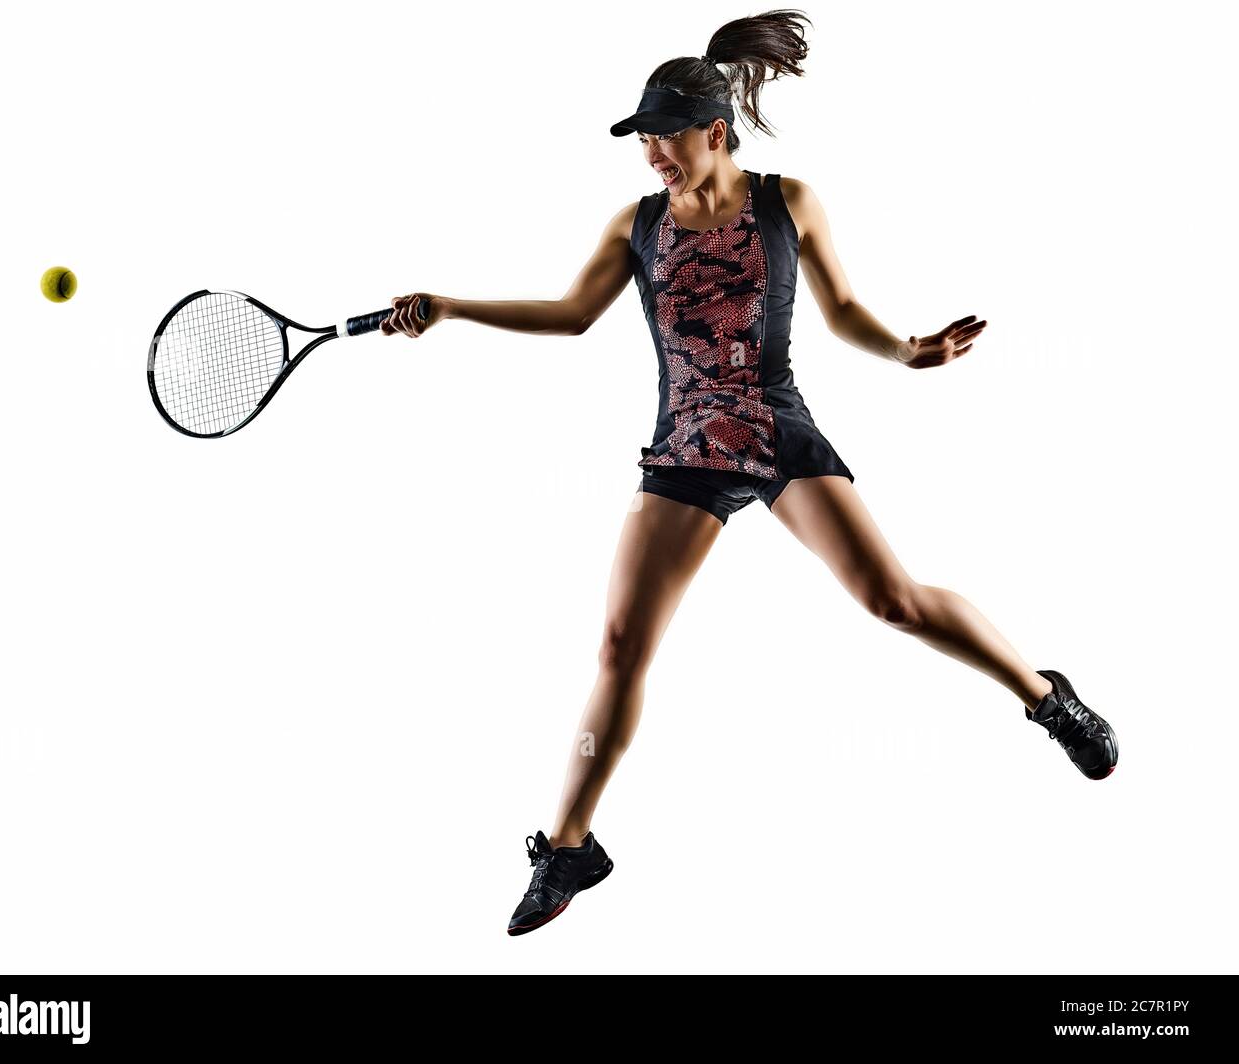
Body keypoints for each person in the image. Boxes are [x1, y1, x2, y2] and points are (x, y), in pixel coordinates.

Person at [376, 9, 1118, 938]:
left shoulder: (786, 201)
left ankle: (1046, 697)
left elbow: (843, 310)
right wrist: (448, 307)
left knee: (892, 599)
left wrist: (903, 351)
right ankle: (570, 846)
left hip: (774, 427)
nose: (651, 152)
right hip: (684, 445)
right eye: (641, 139)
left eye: (664, 134)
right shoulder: (637, 224)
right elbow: (571, 315)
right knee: (619, 646)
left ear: (714, 130)